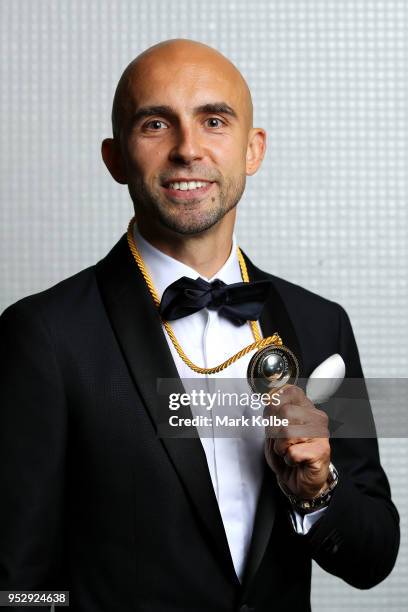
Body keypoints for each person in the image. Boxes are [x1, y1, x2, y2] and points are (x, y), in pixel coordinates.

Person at [0, 39, 399, 612]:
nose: (188, 149)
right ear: (115, 159)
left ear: (252, 149)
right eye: (156, 124)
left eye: (214, 120)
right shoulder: (41, 335)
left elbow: (375, 555)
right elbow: (17, 584)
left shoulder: (323, 325)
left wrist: (317, 493)